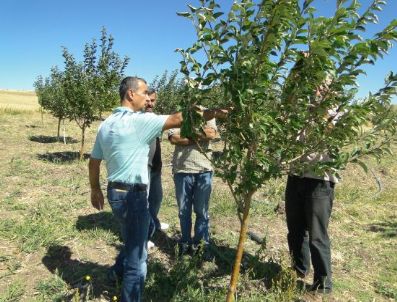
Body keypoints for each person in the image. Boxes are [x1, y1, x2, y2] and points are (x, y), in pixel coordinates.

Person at [88, 76, 227, 302]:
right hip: (133, 195)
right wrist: (217, 112)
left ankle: (115, 272)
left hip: (114, 193)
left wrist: (95, 189)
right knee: (138, 259)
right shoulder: (140, 121)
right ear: (131, 94)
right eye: (144, 93)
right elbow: (181, 118)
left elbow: (94, 162)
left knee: (135, 239)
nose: (147, 98)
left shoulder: (106, 123)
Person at [285, 67, 340, 294]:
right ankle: (298, 270)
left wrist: (323, 106)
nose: (316, 88)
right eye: (313, 83)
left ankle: (323, 284)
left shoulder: (336, 110)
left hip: (320, 179)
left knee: (317, 234)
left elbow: (330, 129)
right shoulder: (298, 107)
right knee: (295, 228)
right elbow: (286, 99)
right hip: (296, 174)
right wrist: (298, 69)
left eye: (322, 84)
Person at [168, 116, 217, 256]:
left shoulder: (208, 114)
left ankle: (201, 245)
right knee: (184, 211)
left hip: (204, 170)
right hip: (182, 169)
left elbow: (211, 133)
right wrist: (200, 136)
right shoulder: (178, 115)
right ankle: (185, 242)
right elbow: (174, 139)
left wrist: (186, 133)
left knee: (202, 211)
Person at [145, 89, 169, 235]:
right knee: (144, 201)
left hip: (155, 166)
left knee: (156, 198)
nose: (150, 104)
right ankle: (144, 234)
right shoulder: (136, 118)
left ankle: (153, 222)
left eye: (153, 101)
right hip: (143, 166)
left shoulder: (155, 118)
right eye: (147, 100)